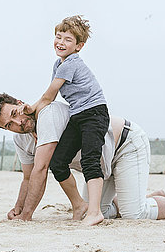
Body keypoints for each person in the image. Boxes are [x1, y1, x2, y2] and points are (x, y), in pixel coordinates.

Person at [0, 94, 165, 223]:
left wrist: (26, 216)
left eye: (15, 114)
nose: (18, 123)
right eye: (9, 125)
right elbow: (27, 178)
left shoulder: (48, 115)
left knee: (135, 214)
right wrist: (17, 207)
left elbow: (41, 170)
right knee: (97, 212)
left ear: (21, 103)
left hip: (125, 145)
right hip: (99, 167)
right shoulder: (21, 140)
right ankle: (148, 196)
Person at [21, 15, 109, 225]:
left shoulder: (71, 64)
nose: (61, 42)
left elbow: (49, 96)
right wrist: (34, 110)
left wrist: (32, 108)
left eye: (68, 39)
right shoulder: (58, 64)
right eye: (58, 37)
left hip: (94, 113)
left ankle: (95, 212)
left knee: (90, 160)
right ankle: (80, 205)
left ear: (79, 46)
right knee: (58, 162)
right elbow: (48, 96)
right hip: (77, 115)